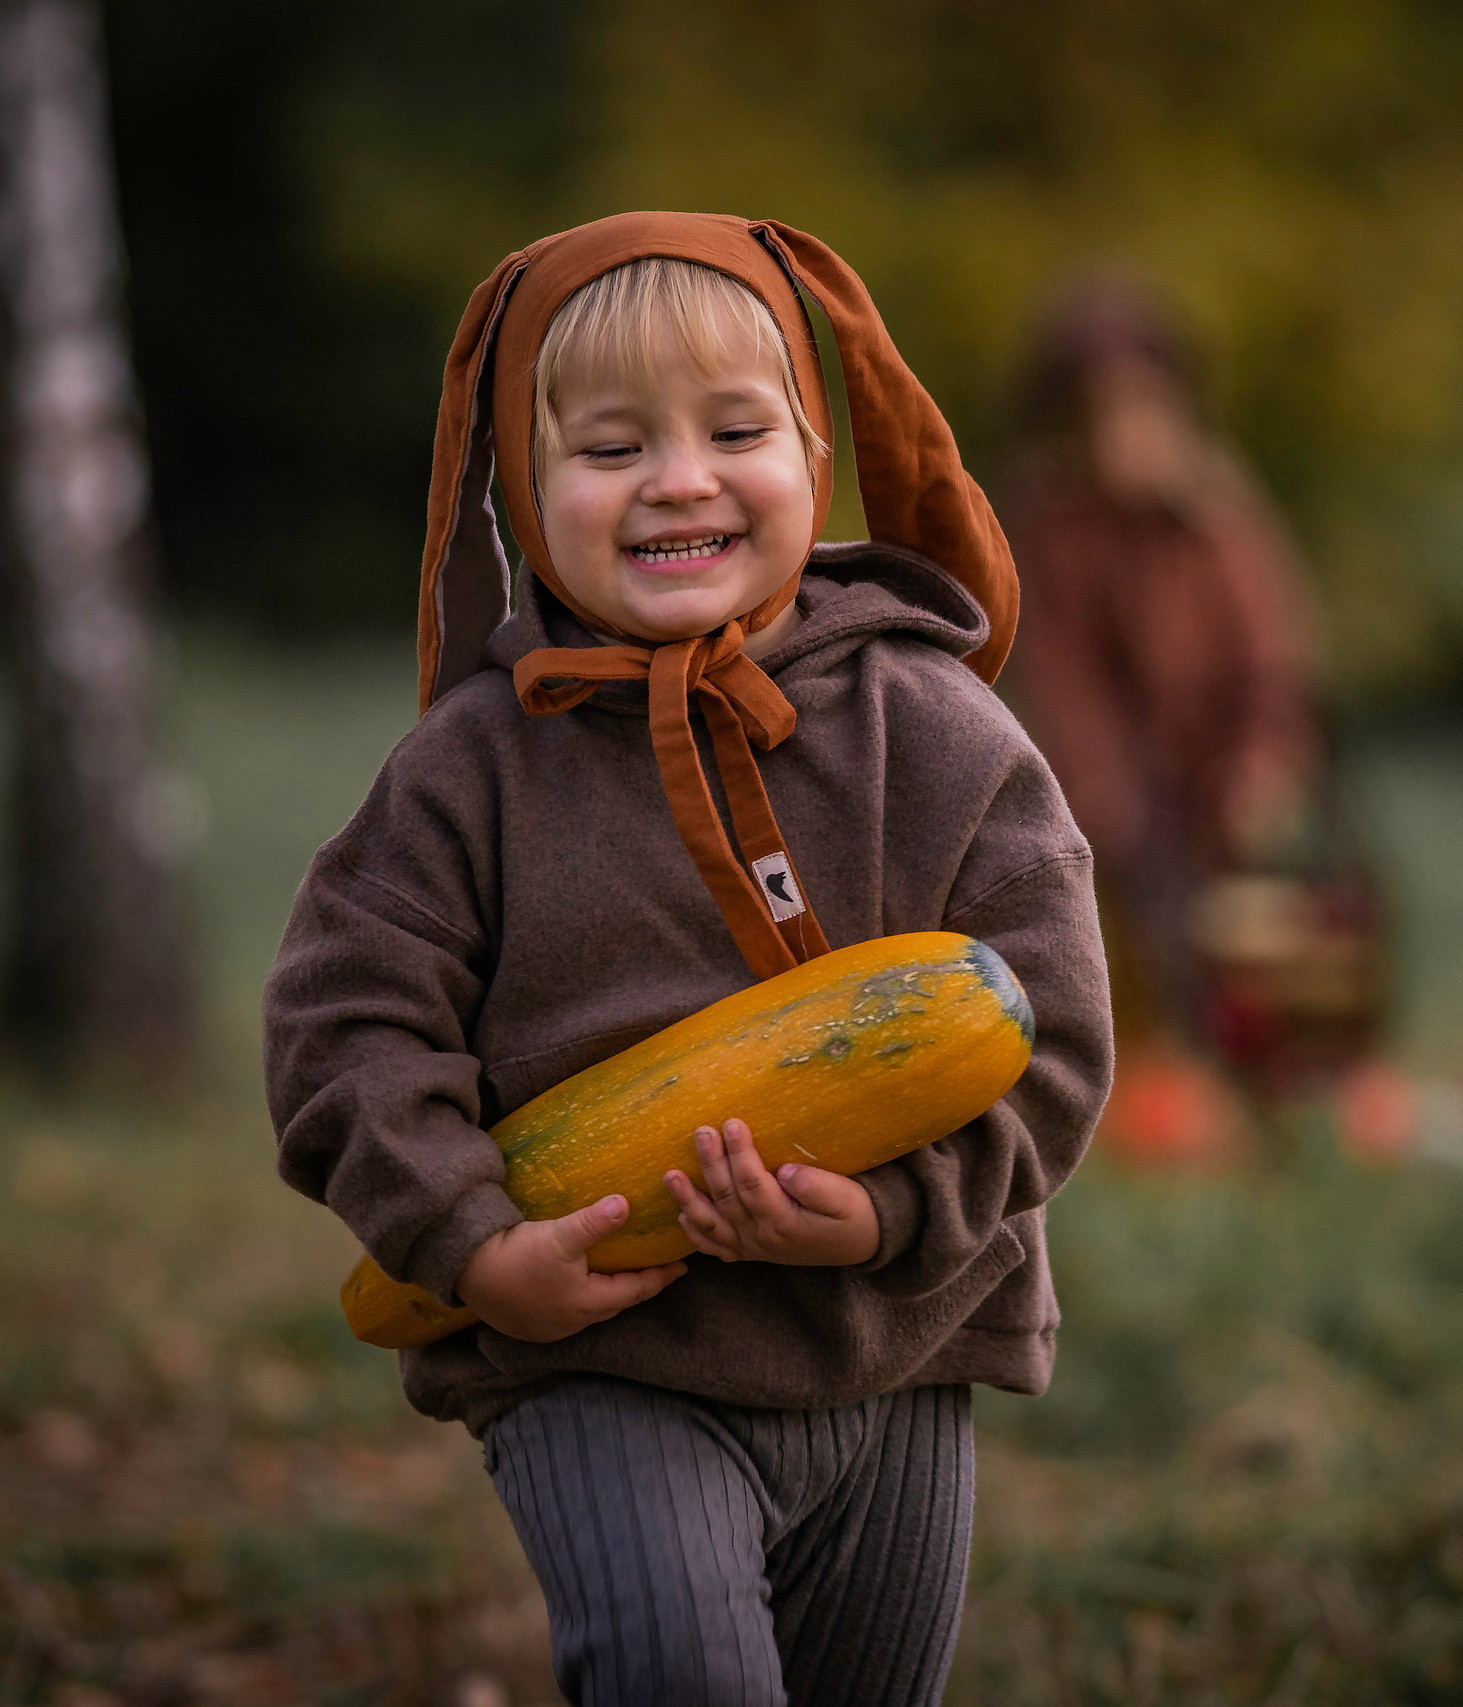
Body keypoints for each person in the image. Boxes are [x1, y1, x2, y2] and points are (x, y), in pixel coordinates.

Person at [263, 213, 1109, 1706]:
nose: (679, 478)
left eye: (735, 428)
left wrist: (888, 1210)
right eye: (608, 448)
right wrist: (470, 1242)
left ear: (813, 459)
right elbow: (348, 1020)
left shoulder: (937, 724)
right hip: (600, 1358)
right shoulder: (474, 769)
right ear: (526, 493)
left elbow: (1049, 1021)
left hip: (896, 1344)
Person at [1000, 280, 1376, 1159]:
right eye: (1100, 411)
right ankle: (1149, 1089)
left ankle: (1293, 1091)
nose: (1124, 433)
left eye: (1143, 407)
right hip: (1109, 817)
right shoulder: (1049, 528)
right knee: (1127, 981)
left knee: (1281, 955)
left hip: (1225, 798)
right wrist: (1104, 811)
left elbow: (1276, 669)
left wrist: (1262, 768)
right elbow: (1058, 689)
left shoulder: (1219, 517)